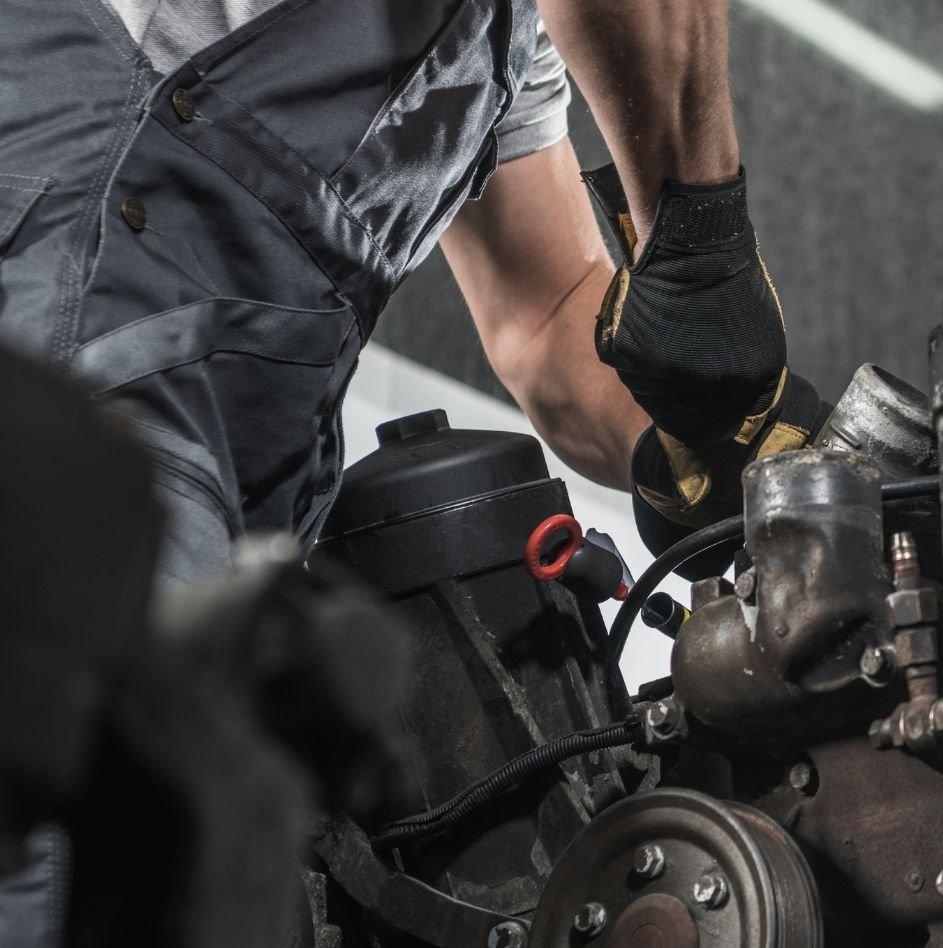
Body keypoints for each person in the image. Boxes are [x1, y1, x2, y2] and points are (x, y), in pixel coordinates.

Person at [0, 0, 823, 586]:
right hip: (63, 323)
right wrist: (703, 239)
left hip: (247, 474)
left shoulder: (496, 46)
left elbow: (547, 311)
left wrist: (713, 451)